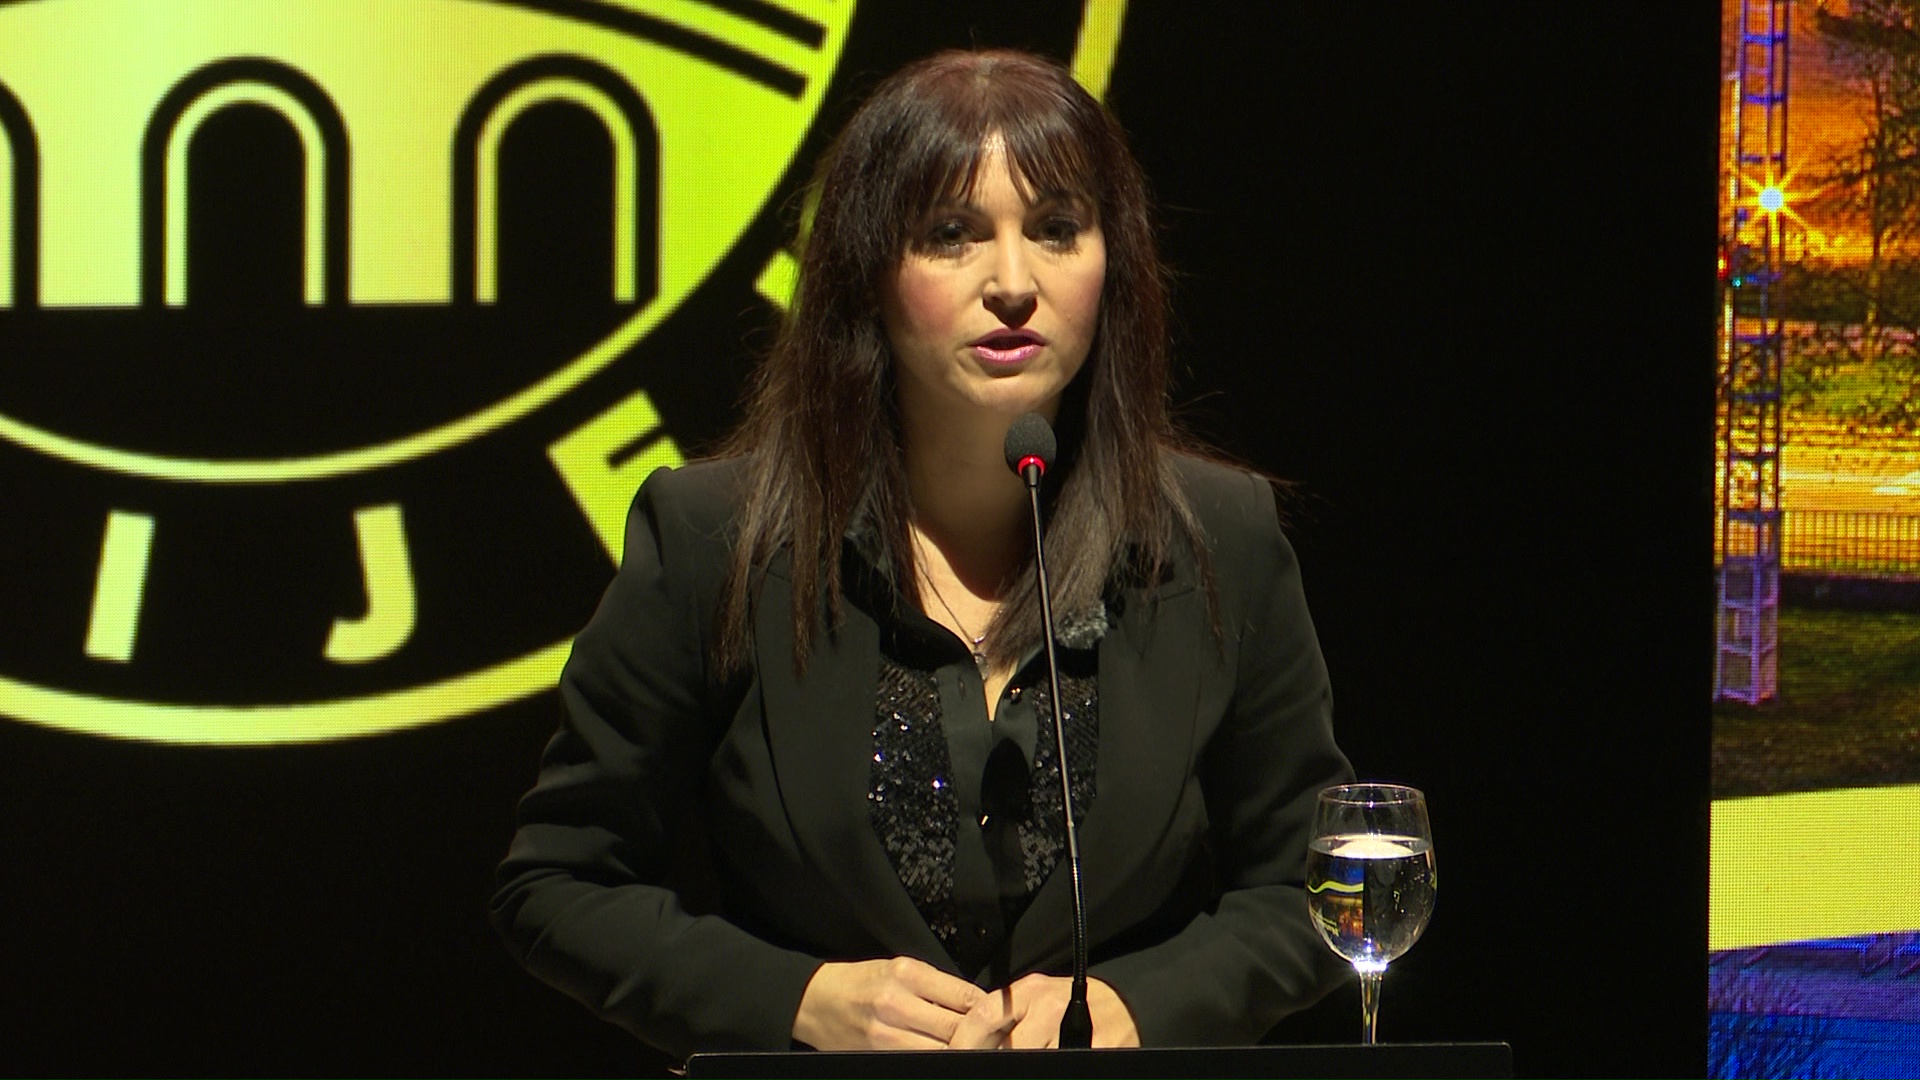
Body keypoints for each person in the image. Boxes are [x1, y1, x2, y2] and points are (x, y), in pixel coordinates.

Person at [490, 48, 1352, 1060]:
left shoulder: (1220, 537)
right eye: (951, 234)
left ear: (1112, 262)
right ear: (866, 272)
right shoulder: (712, 539)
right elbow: (556, 884)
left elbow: (1316, 886)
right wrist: (799, 1000)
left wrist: (1143, 1007)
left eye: (1057, 229)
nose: (1014, 284)